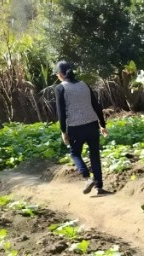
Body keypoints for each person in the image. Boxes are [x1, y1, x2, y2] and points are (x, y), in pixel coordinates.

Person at [54, 61, 109, 196]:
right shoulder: (84, 85)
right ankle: (99, 187)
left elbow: (61, 113)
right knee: (95, 155)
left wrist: (63, 131)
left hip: (75, 127)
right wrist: (102, 125)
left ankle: (86, 177)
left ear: (60, 74)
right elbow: (96, 105)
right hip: (92, 125)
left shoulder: (60, 88)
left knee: (75, 153)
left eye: (57, 74)